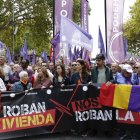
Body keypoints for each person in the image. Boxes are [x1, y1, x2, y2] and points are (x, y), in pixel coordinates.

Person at [115, 64, 139, 140]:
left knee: (134, 118)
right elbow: (114, 84)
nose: (129, 74)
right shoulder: (117, 76)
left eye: (130, 72)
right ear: (123, 71)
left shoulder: (134, 76)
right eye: (127, 72)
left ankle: (134, 135)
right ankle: (123, 133)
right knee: (122, 118)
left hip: (133, 101)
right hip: (122, 101)